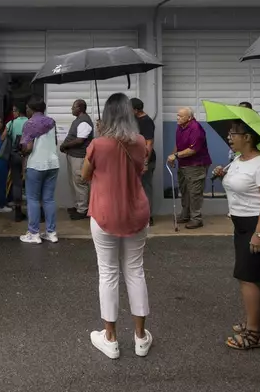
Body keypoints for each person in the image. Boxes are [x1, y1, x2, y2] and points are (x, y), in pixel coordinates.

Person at [82, 93, 152, 360]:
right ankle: (141, 337)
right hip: (136, 212)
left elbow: (85, 175)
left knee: (108, 273)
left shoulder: (98, 144)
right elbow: (139, 170)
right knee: (135, 271)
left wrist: (99, 140)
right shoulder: (138, 142)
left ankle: (110, 338)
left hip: (104, 214)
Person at [213, 119, 260, 350]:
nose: (229, 137)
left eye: (235, 133)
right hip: (242, 225)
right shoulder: (237, 160)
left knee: (247, 278)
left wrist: (259, 234)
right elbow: (241, 187)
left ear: (249, 137)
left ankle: (253, 334)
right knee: (254, 276)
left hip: (258, 226)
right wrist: (223, 174)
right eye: (230, 133)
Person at [19, 96, 59, 244]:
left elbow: (28, 147)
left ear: (32, 108)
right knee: (48, 199)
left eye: (28, 108)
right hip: (53, 164)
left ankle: (34, 233)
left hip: (36, 164)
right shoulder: (51, 122)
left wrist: (22, 152)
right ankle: (51, 232)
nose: (27, 110)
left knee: (33, 199)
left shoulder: (29, 123)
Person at [167, 107, 212, 229]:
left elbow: (192, 150)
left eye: (181, 116)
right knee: (185, 190)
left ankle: (196, 219)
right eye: (177, 115)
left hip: (196, 164)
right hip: (183, 164)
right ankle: (185, 214)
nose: (177, 118)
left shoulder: (196, 129)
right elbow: (178, 144)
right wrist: (173, 156)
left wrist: (175, 155)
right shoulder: (180, 127)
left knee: (194, 192)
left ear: (189, 118)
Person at [60, 99, 93, 220]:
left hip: (79, 158)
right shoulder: (79, 120)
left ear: (80, 108)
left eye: (73, 107)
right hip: (74, 156)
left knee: (80, 183)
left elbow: (80, 140)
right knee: (74, 182)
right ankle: (78, 205)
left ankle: (82, 210)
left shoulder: (84, 122)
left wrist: (65, 145)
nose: (71, 109)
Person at [131, 97, 156, 226]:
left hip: (145, 161)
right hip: (135, 161)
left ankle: (148, 216)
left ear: (136, 110)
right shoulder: (134, 120)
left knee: (146, 188)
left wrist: (145, 162)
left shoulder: (146, 121)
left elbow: (149, 143)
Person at [2, 102, 28, 222]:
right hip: (27, 155)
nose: (13, 113)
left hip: (14, 155)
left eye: (14, 111)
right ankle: (36, 211)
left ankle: (18, 211)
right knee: (30, 182)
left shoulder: (11, 123)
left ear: (18, 111)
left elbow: (2, 137)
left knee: (16, 182)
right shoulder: (30, 122)